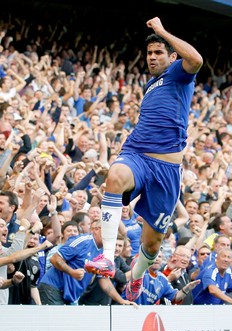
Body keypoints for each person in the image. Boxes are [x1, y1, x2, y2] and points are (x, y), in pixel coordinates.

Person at [86, 17, 203, 301]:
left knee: (152, 245)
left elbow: (197, 59)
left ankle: (137, 278)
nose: (151, 58)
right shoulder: (151, 84)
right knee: (113, 177)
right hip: (137, 153)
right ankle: (108, 258)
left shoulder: (179, 73)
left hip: (166, 169)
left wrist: (162, 31)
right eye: (149, 53)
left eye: (158, 52)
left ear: (172, 56)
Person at [38, 220, 135, 306]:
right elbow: (55, 259)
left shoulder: (105, 252)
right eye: (107, 230)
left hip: (69, 295)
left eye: (112, 232)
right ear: (96, 230)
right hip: (52, 287)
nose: (109, 234)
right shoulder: (83, 241)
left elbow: (104, 280)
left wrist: (121, 300)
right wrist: (72, 272)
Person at [121, 250, 199, 305]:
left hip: (145, 314)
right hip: (127, 309)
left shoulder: (162, 279)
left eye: (160, 257)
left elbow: (175, 297)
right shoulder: (140, 269)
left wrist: (187, 289)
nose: (157, 258)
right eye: (155, 256)